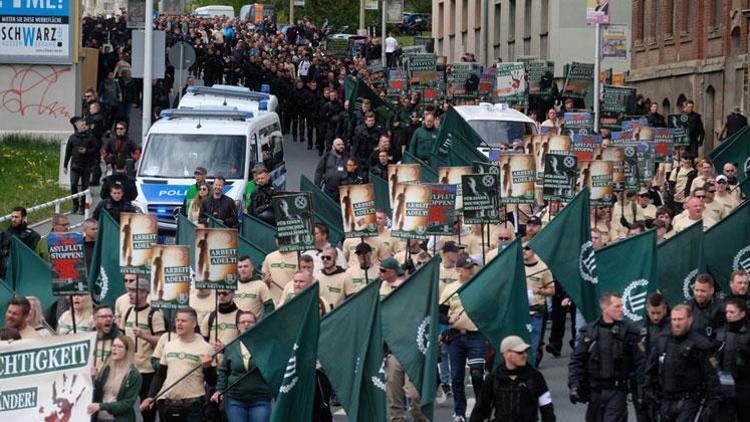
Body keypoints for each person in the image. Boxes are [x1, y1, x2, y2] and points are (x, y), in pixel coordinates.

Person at [568, 293, 643, 422]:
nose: (621, 310)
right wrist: (574, 385)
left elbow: (640, 363)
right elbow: (577, 361)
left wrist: (640, 391)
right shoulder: (589, 332)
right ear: (604, 307)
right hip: (595, 391)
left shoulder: (630, 333)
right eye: (617, 306)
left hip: (618, 390)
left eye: (622, 306)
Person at [643, 304, 721, 421]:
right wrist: (648, 392)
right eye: (674, 319)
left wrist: (711, 405)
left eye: (680, 319)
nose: (676, 323)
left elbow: (711, 377)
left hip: (689, 401)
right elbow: (651, 369)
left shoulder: (701, 344)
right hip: (664, 401)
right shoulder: (662, 340)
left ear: (690, 320)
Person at [142, 307, 215, 422]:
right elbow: (160, 375)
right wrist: (150, 396)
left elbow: (212, 381)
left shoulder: (206, 348)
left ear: (194, 324)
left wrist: (208, 368)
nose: (179, 324)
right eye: (177, 320)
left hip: (193, 404)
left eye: (183, 321)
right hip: (168, 403)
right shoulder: (169, 345)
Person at [439, 255, 486, 422]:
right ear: (458, 270)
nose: (470, 270)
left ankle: (482, 410)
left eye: (472, 267)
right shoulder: (449, 289)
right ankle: (460, 412)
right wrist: (448, 320)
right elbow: (439, 313)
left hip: (476, 335)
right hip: (456, 337)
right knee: (457, 377)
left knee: (477, 374)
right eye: (467, 268)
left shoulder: (479, 286)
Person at [469, 335, 555, 422]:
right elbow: (480, 409)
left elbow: (547, 410)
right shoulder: (493, 378)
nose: (524, 355)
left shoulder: (535, 377)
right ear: (506, 354)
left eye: (525, 351)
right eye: (519, 352)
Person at [211, 311, 273, 422]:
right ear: (238, 326)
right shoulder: (231, 347)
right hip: (235, 400)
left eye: (250, 322)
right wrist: (219, 390)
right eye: (242, 322)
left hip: (260, 399)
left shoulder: (265, 346)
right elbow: (224, 371)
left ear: (256, 324)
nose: (246, 324)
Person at [122, 278, 166, 422]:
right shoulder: (127, 311)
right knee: (125, 407)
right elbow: (123, 337)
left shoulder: (154, 314)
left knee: (147, 409)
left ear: (144, 293)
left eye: (134, 291)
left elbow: (162, 341)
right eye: (129, 290)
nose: (130, 294)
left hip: (147, 371)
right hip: (129, 369)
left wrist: (144, 335)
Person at [88, 335, 143, 422]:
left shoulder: (134, 375)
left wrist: (102, 406)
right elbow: (98, 395)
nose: (114, 349)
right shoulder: (106, 368)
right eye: (113, 345)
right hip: (100, 418)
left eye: (119, 346)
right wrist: (94, 379)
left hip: (119, 419)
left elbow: (127, 403)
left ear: (127, 351)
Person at [714, 298, 750, 422]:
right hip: (723, 384)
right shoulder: (720, 332)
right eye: (727, 312)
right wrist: (717, 370)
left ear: (742, 313)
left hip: (744, 385)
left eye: (732, 312)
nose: (728, 315)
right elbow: (711, 356)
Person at [523, 245, 555, 364]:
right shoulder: (516, 266)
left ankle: (530, 370)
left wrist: (541, 291)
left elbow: (552, 290)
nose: (524, 251)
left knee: (532, 345)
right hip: (520, 312)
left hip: (536, 312)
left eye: (527, 248)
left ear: (534, 250)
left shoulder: (543, 268)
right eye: (522, 248)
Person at [64, 116, 98, 214]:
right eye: (82, 125)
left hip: (86, 166)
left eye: (84, 124)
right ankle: (75, 204)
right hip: (75, 165)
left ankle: (82, 207)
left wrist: (86, 151)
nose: (84, 126)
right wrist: (65, 165)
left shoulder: (90, 137)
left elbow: (95, 149)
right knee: (73, 185)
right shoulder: (72, 138)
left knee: (85, 187)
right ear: (77, 126)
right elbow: (68, 152)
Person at [0, 206, 41, 278]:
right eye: (12, 217)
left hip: (21, 275)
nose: (13, 219)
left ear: (24, 218)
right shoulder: (3, 234)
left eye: (16, 217)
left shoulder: (33, 236)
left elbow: (32, 259)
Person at [686, 273, 725, 339]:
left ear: (712, 290)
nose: (699, 294)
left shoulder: (722, 307)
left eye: (703, 291)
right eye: (696, 290)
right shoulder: (687, 307)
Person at [93, 304, 122, 370]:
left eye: (110, 316)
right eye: (104, 316)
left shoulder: (120, 339)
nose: (108, 319)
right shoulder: (88, 339)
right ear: (94, 319)